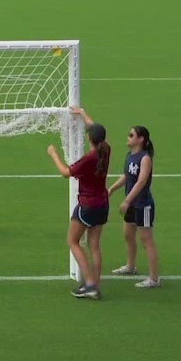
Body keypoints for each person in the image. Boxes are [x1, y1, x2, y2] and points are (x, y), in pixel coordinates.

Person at [48, 107, 111, 300]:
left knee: (73, 241)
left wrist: (54, 154)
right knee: (94, 245)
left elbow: (66, 173)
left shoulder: (88, 159)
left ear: (89, 139)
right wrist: (83, 113)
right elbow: (94, 127)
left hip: (88, 205)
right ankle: (96, 284)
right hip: (102, 203)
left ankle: (90, 284)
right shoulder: (106, 149)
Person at [106, 123, 160, 287]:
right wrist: (112, 189)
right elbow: (127, 177)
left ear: (141, 139)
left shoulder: (145, 158)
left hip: (143, 205)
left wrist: (127, 200)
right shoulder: (130, 155)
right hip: (132, 204)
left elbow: (142, 181)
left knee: (146, 240)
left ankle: (154, 279)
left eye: (131, 135)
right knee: (128, 235)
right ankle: (131, 266)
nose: (128, 138)